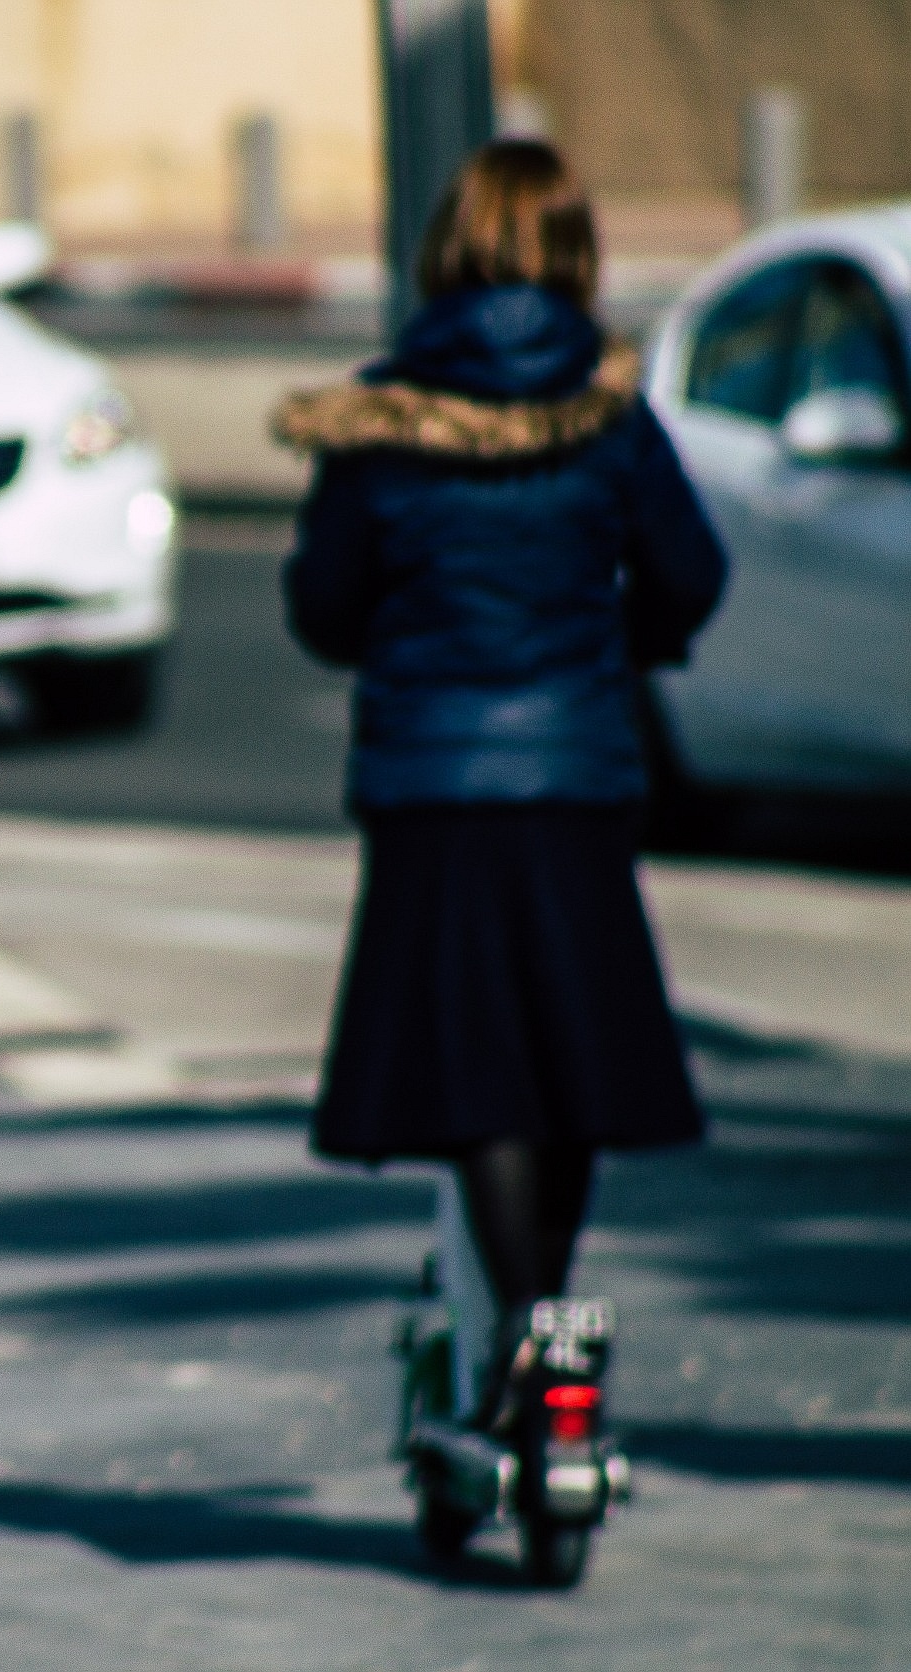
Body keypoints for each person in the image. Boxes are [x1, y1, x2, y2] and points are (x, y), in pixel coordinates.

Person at [274, 140, 727, 1427]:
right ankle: (550, 1322)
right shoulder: (610, 409)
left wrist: (402, 635)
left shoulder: (385, 416)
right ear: (575, 249)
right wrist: (617, 643)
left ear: (450, 250)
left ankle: (524, 1328)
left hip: (436, 788)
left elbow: (325, 604)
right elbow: (692, 575)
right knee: (571, 1058)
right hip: (576, 777)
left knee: (481, 1066)